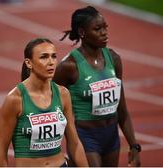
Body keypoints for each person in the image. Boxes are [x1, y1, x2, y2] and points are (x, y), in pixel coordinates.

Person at [53, 6, 141, 167]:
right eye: (97, 29)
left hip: (111, 136)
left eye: (105, 27)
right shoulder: (69, 66)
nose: (104, 32)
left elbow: (122, 109)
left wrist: (134, 145)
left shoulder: (114, 59)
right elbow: (50, 103)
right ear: (82, 32)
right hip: (85, 136)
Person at [0, 38, 89, 167]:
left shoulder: (63, 94)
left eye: (54, 56)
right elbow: (1, 150)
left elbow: (74, 142)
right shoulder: (15, 99)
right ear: (29, 63)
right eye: (44, 57)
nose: (51, 62)